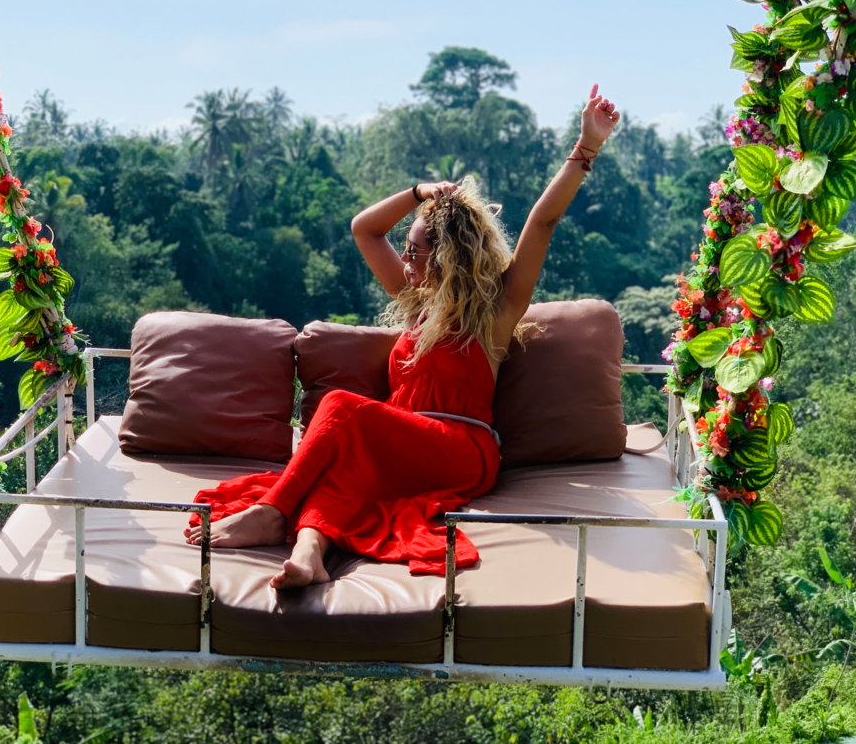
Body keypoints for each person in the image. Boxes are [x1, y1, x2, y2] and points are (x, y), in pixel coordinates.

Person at [185, 84, 620, 589]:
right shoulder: (417, 304)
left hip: (460, 448)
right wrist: (419, 193)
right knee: (343, 469)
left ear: (448, 258)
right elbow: (364, 229)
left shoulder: (495, 311)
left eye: (414, 252)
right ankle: (309, 552)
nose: (406, 261)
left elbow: (542, 221)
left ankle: (273, 511)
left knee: (341, 406)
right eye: (406, 251)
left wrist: (587, 146)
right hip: (400, 441)